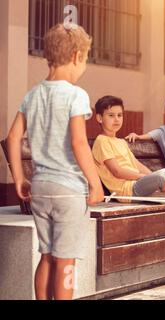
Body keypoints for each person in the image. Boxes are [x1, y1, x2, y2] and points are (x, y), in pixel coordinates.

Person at [6, 24, 104, 300]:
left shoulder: (32, 95)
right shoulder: (76, 95)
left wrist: (19, 180)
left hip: (40, 188)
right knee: (66, 262)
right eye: (85, 59)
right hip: (69, 191)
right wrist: (95, 185)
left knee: (47, 256)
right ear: (75, 56)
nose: (84, 65)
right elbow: (78, 142)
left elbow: (13, 137)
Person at [92, 96, 165, 202]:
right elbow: (117, 172)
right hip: (129, 190)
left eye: (119, 115)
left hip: (140, 183)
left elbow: (138, 165)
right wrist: (149, 177)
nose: (116, 119)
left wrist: (152, 178)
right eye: (111, 115)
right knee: (163, 176)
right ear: (99, 118)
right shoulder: (102, 141)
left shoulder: (121, 142)